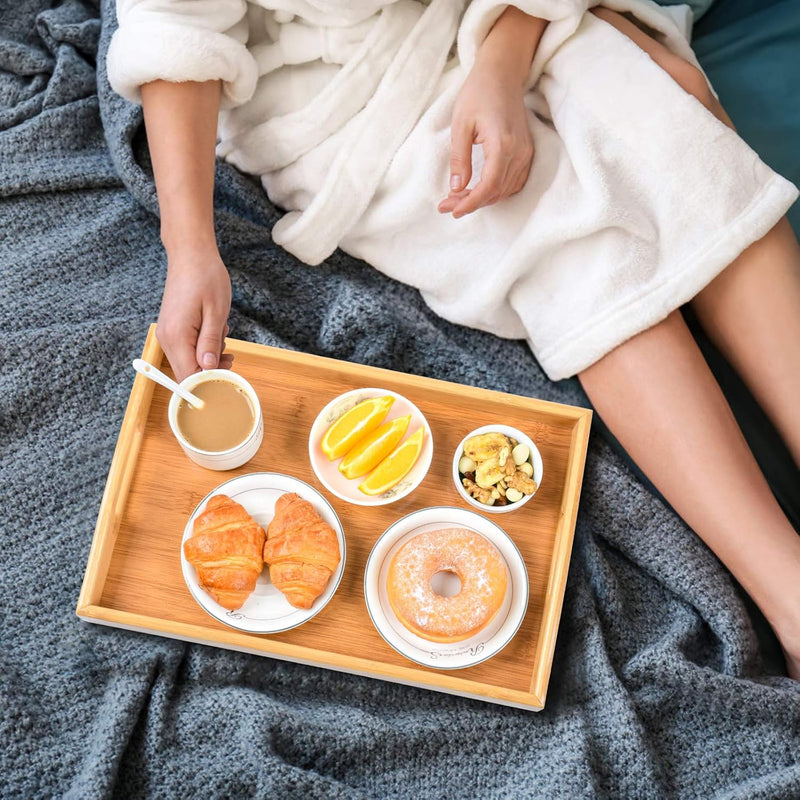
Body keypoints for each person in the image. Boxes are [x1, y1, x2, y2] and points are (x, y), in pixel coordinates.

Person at [107, 0, 800, 678]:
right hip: (340, 90)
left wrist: (503, 60)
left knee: (679, 132)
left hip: (505, 15)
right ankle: (789, 598)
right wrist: (191, 248)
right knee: (572, 250)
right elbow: (178, 30)